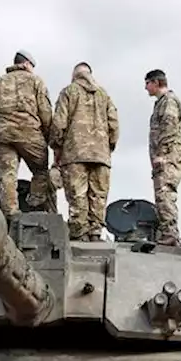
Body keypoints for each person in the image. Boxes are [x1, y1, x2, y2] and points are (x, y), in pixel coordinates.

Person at [50, 62, 120, 241]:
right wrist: (108, 146)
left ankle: (79, 233)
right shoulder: (104, 95)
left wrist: (56, 145)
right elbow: (114, 123)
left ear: (74, 76)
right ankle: (96, 232)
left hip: (75, 153)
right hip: (100, 154)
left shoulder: (69, 92)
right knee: (98, 194)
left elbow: (59, 123)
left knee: (77, 194)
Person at [0, 50, 55, 218]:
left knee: (7, 176)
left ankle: (11, 214)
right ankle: (34, 205)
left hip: (2, 135)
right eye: (32, 65)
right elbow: (45, 112)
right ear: (25, 64)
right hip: (30, 135)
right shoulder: (36, 81)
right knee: (40, 172)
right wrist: (49, 138)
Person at [144, 69, 181, 246]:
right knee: (162, 193)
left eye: (147, 83)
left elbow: (169, 127)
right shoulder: (162, 102)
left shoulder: (168, 101)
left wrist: (161, 155)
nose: (146, 87)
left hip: (169, 156)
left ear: (156, 82)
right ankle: (168, 232)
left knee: (165, 193)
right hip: (167, 154)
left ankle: (170, 234)